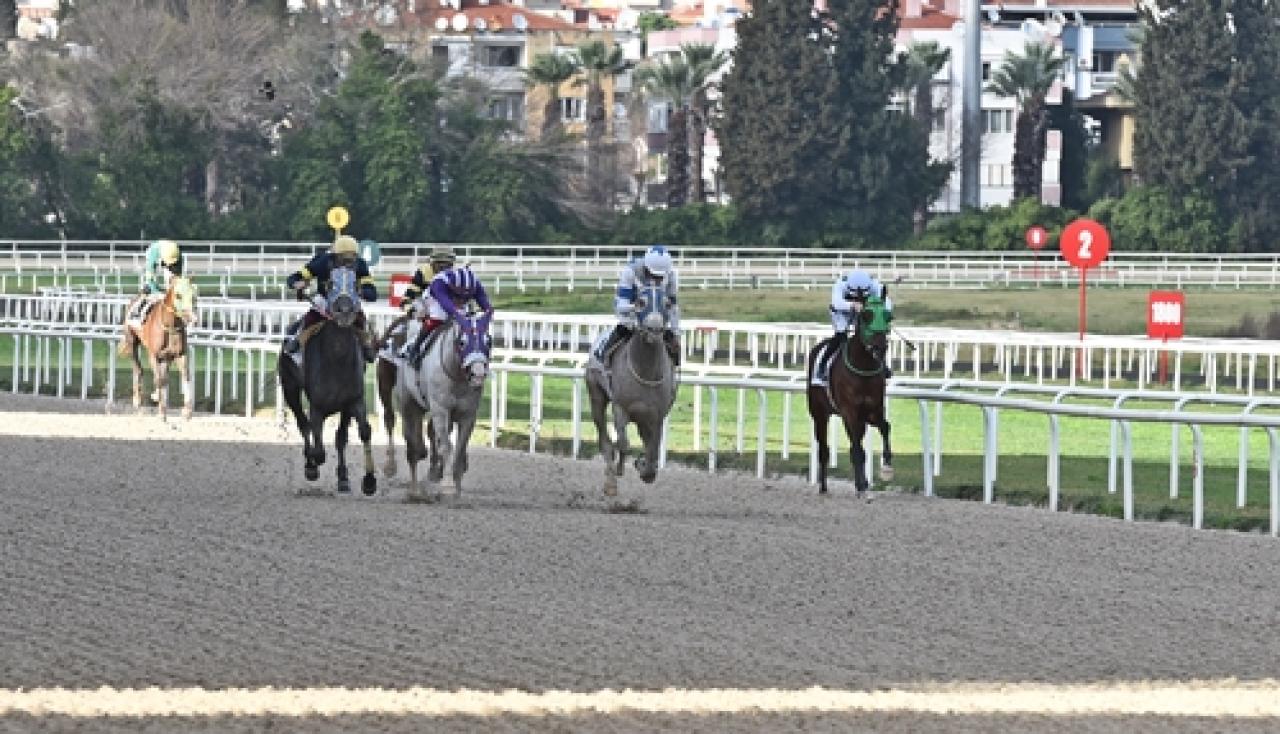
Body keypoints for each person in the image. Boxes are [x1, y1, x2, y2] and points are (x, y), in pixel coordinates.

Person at [283, 234, 378, 361]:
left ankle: (366, 346)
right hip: (325, 302)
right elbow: (295, 277)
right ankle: (298, 342)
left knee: (360, 322)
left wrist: (363, 292)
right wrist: (297, 283)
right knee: (311, 320)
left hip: (350, 303)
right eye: (344, 258)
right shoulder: (322, 262)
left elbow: (371, 291)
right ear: (335, 256)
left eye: (351, 258)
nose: (348, 263)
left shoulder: (361, 265)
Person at [399, 246, 494, 367]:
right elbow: (406, 300)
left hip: (450, 303)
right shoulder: (424, 273)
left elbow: (482, 303)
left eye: (447, 264)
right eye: (439, 264)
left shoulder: (458, 276)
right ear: (432, 263)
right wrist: (411, 311)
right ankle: (414, 349)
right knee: (436, 319)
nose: (443, 267)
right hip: (427, 302)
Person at [596, 244, 681, 366]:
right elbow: (621, 306)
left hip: (657, 318)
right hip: (630, 313)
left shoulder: (672, 275)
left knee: (673, 343)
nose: (655, 280)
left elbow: (673, 307)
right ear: (646, 268)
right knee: (625, 328)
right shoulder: (630, 271)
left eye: (660, 277)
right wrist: (635, 307)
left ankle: (674, 371)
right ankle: (604, 356)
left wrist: (675, 332)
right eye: (653, 275)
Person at [812, 269, 892, 386]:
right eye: (854, 296)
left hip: (866, 311)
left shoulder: (875, 285)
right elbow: (836, 303)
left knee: (874, 337)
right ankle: (822, 367)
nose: (857, 298)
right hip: (841, 313)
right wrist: (852, 305)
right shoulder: (840, 284)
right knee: (841, 336)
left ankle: (882, 365)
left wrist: (881, 313)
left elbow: (888, 304)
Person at [128, 239, 184, 321]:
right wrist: (156, 292)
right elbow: (150, 277)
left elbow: (178, 277)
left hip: (168, 255)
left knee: (174, 285)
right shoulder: (153, 254)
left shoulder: (177, 255)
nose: (169, 266)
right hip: (155, 254)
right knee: (149, 287)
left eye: (171, 265)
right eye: (168, 265)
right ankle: (137, 309)